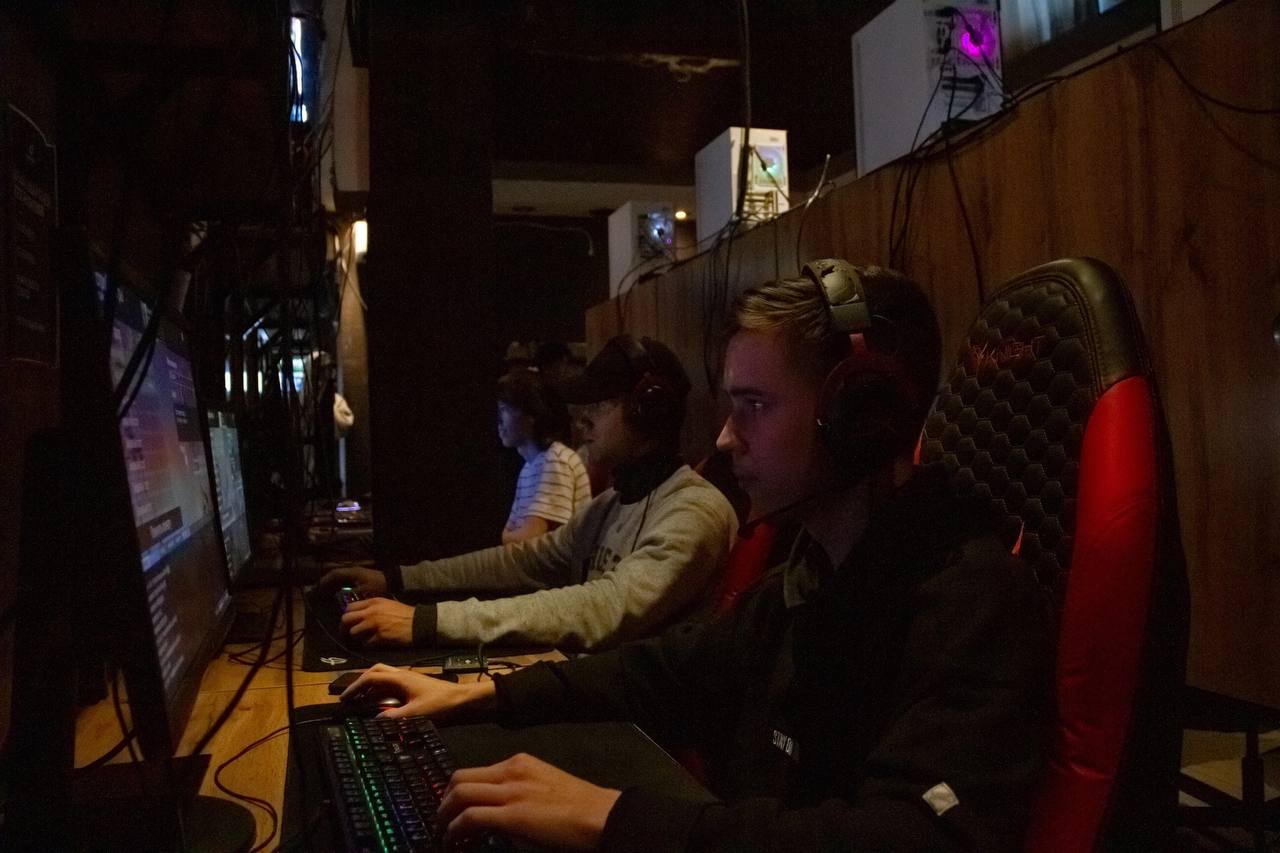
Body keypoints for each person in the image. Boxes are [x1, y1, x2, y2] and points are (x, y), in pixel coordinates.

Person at [343, 260, 1055, 852]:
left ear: (858, 417)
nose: (723, 439)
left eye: (754, 406)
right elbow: (666, 670)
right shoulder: (813, 575)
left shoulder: (970, 600)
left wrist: (611, 817)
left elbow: (908, 837)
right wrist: (481, 697)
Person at [319, 334, 738, 652]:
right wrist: (397, 579)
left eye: (598, 405)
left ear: (648, 410)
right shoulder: (610, 505)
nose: (583, 420)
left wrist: (425, 622)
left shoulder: (693, 512)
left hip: (643, 729)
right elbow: (521, 561)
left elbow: (603, 607)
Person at [495, 368, 591, 544]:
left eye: (504, 409)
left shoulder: (556, 460)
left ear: (531, 414)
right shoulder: (529, 467)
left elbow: (532, 537)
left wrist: (496, 537)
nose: (498, 421)